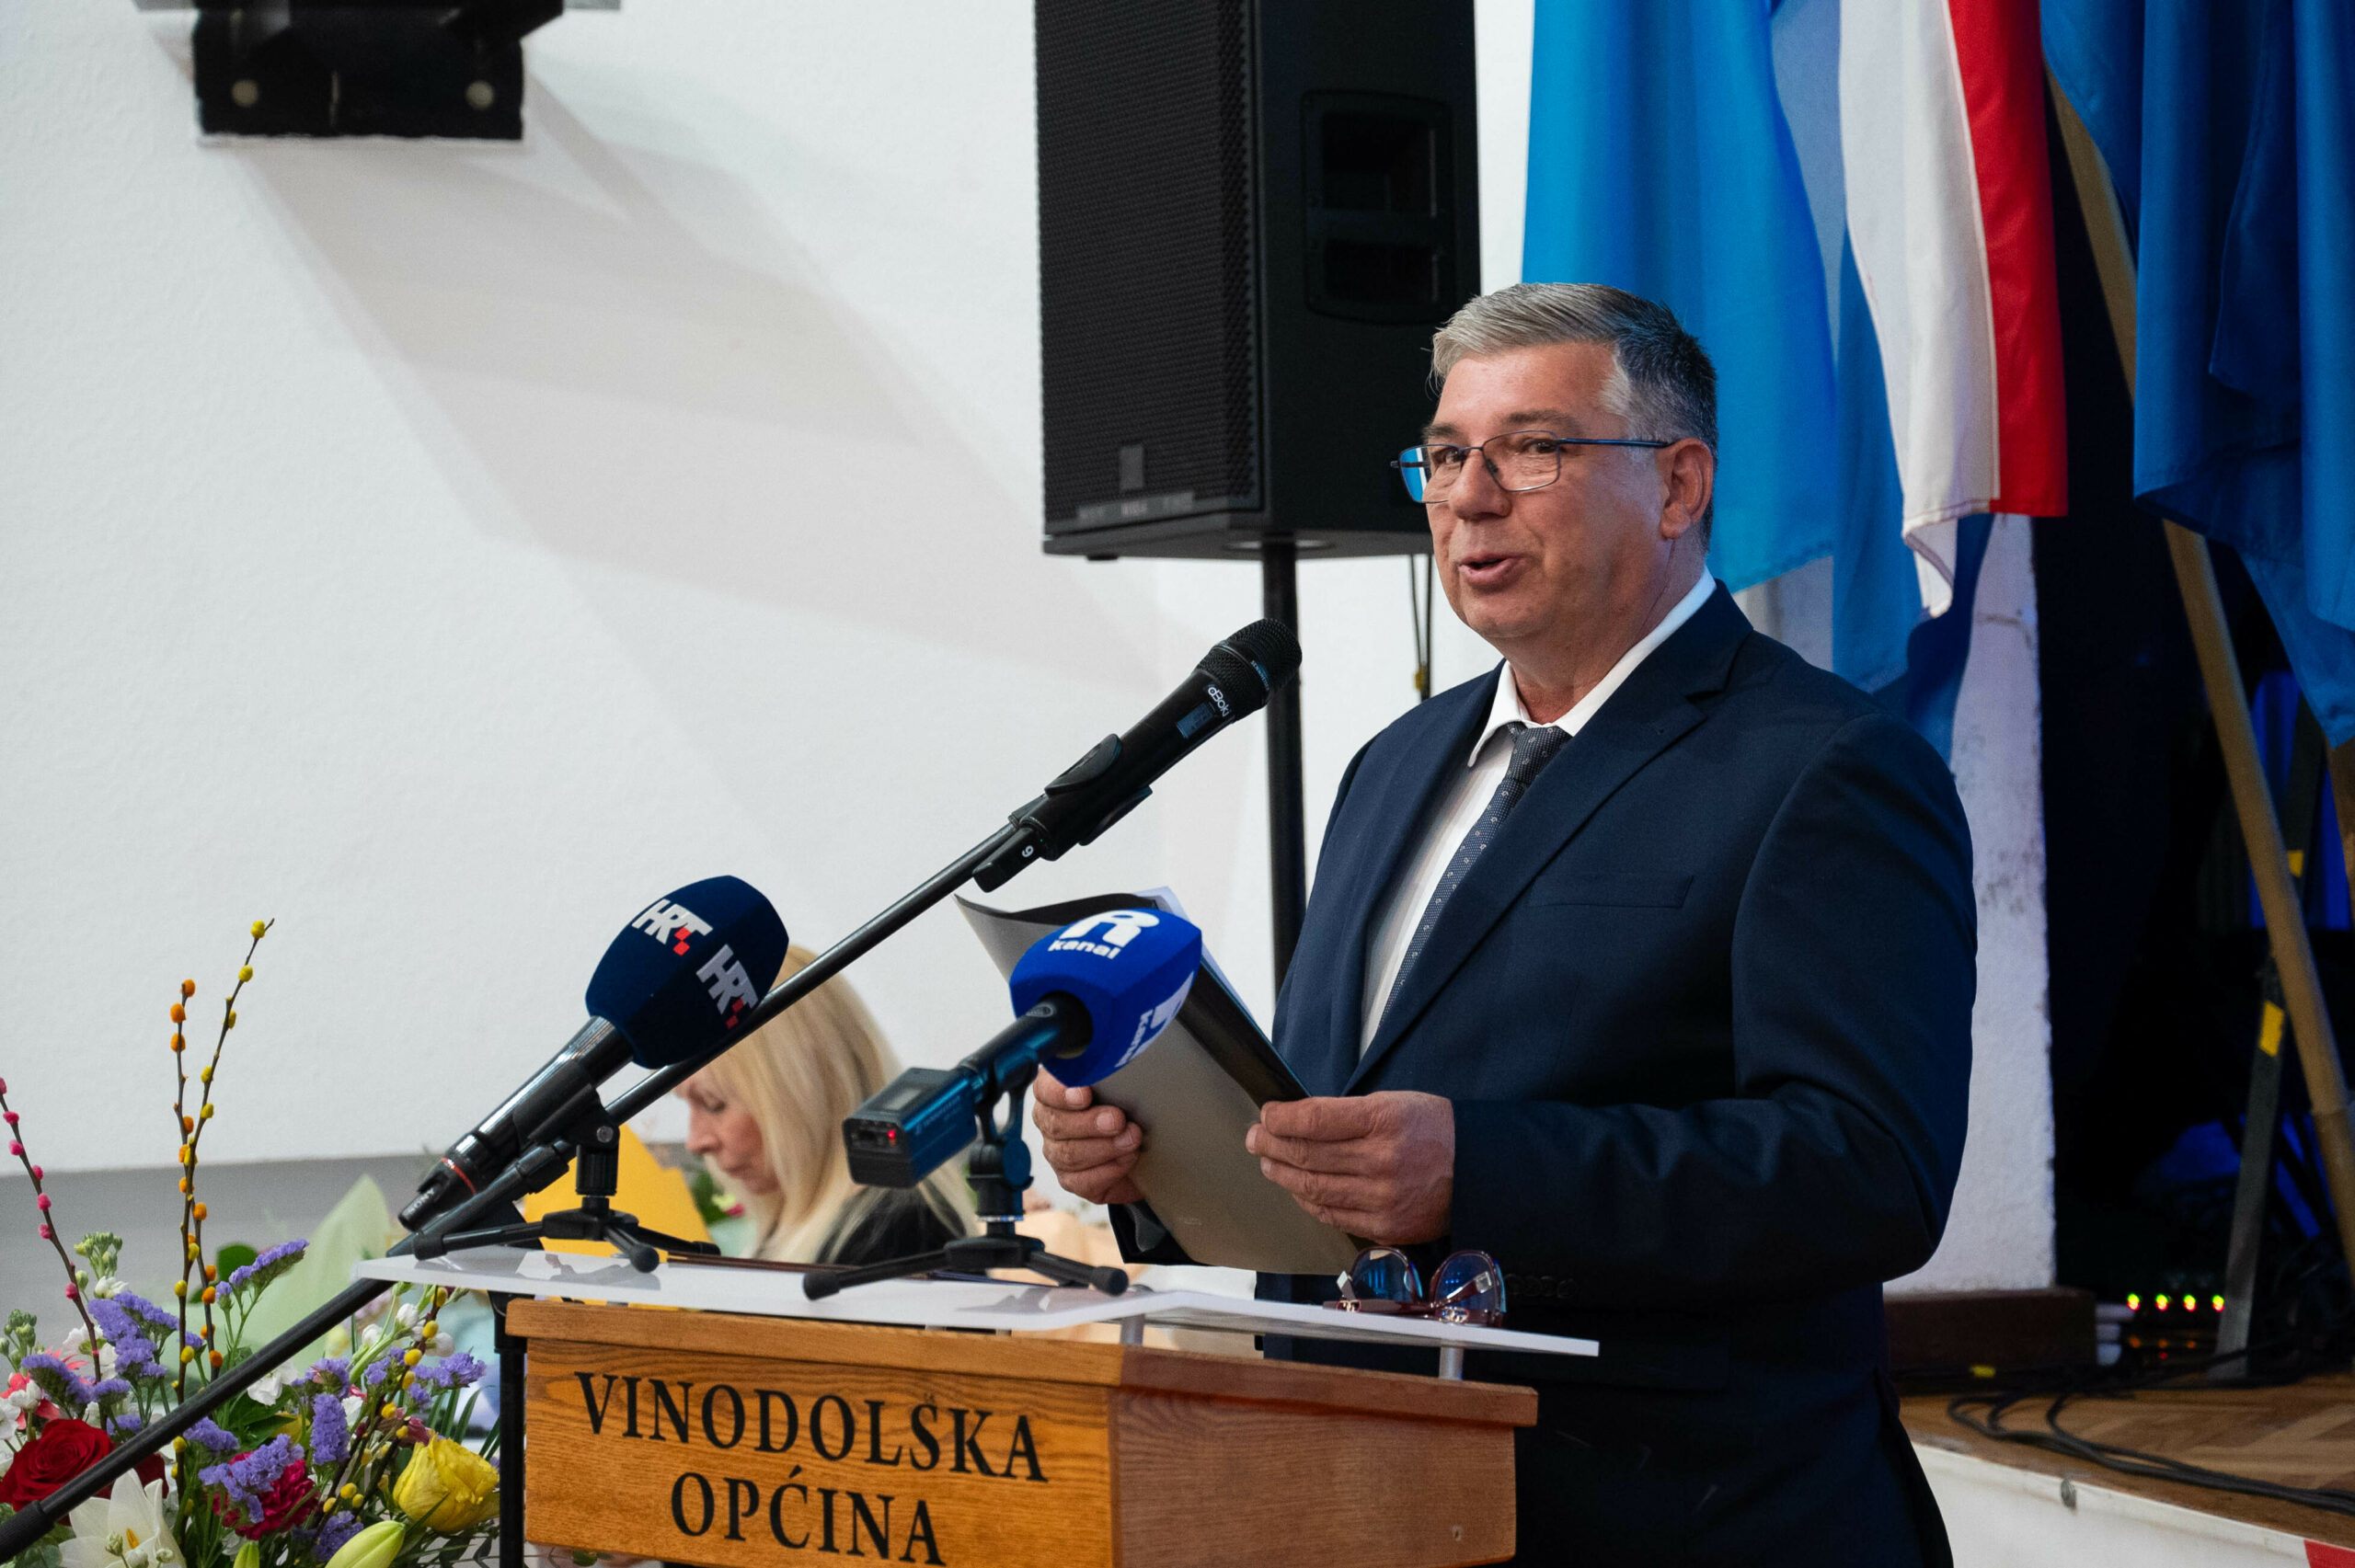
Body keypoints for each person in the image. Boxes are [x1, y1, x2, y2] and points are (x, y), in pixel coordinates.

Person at [1034, 283, 1975, 1566]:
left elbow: (1869, 1170)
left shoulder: (1824, 765)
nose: (1470, 497)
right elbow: (1350, 1122)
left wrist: (1481, 1173)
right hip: (1356, 1495)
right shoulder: (1394, 765)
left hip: (1677, 1515)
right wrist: (1156, 1159)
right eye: (1444, 455)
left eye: (1533, 449)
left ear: (1679, 485)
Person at [677, 944, 967, 1266]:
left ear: (802, 1090)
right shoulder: (801, 1221)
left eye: (714, 1104)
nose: (695, 1141)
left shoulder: (902, 1235)